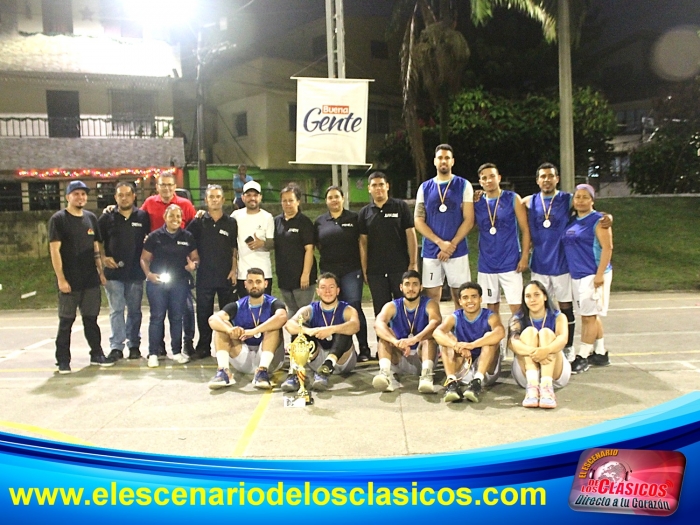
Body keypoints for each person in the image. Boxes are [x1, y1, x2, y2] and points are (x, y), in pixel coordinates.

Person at [524, 163, 612, 361]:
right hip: (539, 264)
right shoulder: (529, 201)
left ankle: (569, 347)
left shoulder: (566, 199)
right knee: (539, 307)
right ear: (537, 180)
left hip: (562, 264)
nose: (546, 179)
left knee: (566, 307)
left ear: (557, 179)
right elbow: (511, 203)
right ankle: (542, 343)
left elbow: (588, 208)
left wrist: (608, 217)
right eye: (542, 176)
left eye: (550, 176)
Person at [49, 180, 115, 373]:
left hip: (90, 279)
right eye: (76, 194)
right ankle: (63, 360)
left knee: (91, 320)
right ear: (68, 196)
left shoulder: (90, 218)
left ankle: (96, 354)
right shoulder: (58, 219)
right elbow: (55, 251)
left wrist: (100, 272)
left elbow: (96, 247)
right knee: (66, 321)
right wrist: (61, 278)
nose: (80, 197)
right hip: (70, 279)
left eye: (83, 194)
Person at [140, 172, 197, 356]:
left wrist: (193, 265)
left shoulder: (186, 207)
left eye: (170, 185)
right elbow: (137, 219)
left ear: (175, 186)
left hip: (180, 276)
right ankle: (156, 350)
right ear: (157, 186)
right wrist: (148, 274)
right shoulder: (149, 204)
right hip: (158, 273)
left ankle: (183, 346)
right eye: (162, 185)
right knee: (157, 316)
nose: (166, 188)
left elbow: (196, 226)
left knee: (181, 314)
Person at [314, 186, 372, 361]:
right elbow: (317, 245)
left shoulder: (354, 218)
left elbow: (362, 244)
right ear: (326, 201)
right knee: (332, 309)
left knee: (354, 307)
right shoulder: (319, 221)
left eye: (337, 197)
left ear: (343, 198)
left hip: (351, 270)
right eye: (330, 197)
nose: (334, 200)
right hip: (329, 271)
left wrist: (364, 268)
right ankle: (337, 347)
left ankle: (364, 348)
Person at [414, 144, 474, 310]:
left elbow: (469, 220)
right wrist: (440, 243)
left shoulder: (463, 185)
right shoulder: (425, 188)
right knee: (432, 296)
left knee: (460, 295)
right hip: (432, 251)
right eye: (440, 157)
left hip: (457, 250)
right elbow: (418, 220)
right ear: (435, 161)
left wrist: (451, 245)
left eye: (447, 158)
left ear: (452, 161)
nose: (443, 161)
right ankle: (433, 334)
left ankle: (460, 333)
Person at [207, 268, 288, 389]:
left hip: (269, 360)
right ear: (245, 284)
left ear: (265, 283)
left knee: (273, 327)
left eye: (258, 282)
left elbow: (282, 317)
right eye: (250, 282)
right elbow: (212, 319)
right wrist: (229, 330)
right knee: (222, 326)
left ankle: (262, 372)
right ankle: (224, 372)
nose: (254, 285)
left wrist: (255, 331)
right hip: (243, 357)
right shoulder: (237, 305)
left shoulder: (274, 303)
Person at [562, 184, 613, 374]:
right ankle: (600, 352)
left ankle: (582, 356)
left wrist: (599, 275)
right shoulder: (572, 220)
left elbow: (607, 248)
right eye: (577, 197)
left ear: (592, 200)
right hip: (577, 274)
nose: (581, 200)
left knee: (588, 317)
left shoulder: (599, 221)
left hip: (593, 273)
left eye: (585, 197)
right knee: (591, 314)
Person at [97, 181, 150, 361]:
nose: (124, 198)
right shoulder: (106, 217)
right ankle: (116, 347)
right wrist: (103, 258)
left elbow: (150, 239)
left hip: (135, 272)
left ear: (134, 196)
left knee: (135, 311)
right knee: (116, 310)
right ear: (115, 197)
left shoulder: (143, 216)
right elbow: (97, 241)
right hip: (113, 274)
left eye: (128, 194)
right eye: (120, 195)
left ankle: (134, 345)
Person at [282, 272, 361, 391]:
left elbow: (355, 326)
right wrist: (309, 331)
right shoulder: (310, 309)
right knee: (300, 331)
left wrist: (331, 329)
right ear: (318, 291)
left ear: (338, 290)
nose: (327, 291)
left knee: (344, 328)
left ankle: (327, 367)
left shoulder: (347, 309)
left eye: (331, 287)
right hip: (317, 360)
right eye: (323, 288)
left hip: (342, 361)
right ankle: (294, 373)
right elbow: (289, 325)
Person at [186, 184, 238, 360]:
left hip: (225, 276)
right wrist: (190, 261)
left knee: (227, 314)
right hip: (205, 276)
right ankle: (203, 347)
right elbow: (186, 240)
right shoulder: (198, 221)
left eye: (218, 197)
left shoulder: (231, 222)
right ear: (206, 200)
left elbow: (234, 249)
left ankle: (228, 346)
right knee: (203, 313)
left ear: (223, 200)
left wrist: (234, 269)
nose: (215, 200)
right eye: (211, 197)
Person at [359, 171, 418, 320]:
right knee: (381, 311)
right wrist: (365, 268)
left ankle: (405, 342)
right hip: (376, 271)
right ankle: (383, 342)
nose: (378, 188)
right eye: (374, 185)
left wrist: (413, 263)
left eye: (381, 185)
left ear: (387, 186)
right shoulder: (364, 213)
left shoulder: (400, 206)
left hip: (400, 268)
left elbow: (411, 234)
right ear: (369, 189)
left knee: (404, 308)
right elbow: (363, 242)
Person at [433, 282, 505, 403]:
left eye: (474, 296)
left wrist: (472, 345)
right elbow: (436, 333)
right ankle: (452, 383)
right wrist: (456, 346)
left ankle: (476, 383)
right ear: (460, 301)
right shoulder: (455, 317)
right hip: (463, 367)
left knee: (490, 338)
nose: (470, 301)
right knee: (448, 338)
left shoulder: (490, 316)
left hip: (486, 371)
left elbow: (500, 332)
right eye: (465, 298)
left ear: (480, 299)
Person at [474, 163, 530, 314]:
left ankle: (515, 338)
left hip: (510, 262)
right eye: (484, 178)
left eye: (492, 176)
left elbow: (525, 229)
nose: (488, 180)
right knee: (490, 308)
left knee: (517, 307)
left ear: (499, 178)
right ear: (480, 182)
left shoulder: (512, 198)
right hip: (487, 264)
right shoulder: (477, 202)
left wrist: (524, 256)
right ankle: (495, 338)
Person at [372, 270, 442, 393]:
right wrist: (395, 341)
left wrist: (415, 339)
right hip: (400, 355)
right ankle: (385, 375)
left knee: (429, 338)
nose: (411, 288)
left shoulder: (430, 304)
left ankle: (426, 376)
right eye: (407, 284)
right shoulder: (392, 305)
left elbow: (435, 322)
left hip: (423, 356)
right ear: (401, 287)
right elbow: (378, 324)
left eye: (415, 284)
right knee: (385, 336)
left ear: (421, 287)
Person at [508, 281, 571, 409]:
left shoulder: (559, 317)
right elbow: (512, 343)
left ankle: (547, 388)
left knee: (546, 333)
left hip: (556, 374)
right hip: (525, 375)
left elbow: (563, 340)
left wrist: (546, 350)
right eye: (528, 296)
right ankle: (532, 388)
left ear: (545, 296)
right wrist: (536, 352)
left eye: (537, 295)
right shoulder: (517, 318)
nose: (532, 299)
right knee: (529, 332)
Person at [274, 184, 317, 313]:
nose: (287, 204)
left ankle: (312, 334)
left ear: (298, 201)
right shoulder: (276, 221)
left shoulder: (304, 222)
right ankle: (295, 335)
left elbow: (310, 249)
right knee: (292, 313)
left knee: (305, 315)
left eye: (291, 200)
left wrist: (305, 274)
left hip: (302, 279)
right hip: (284, 278)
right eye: (284, 200)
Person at [231, 180, 275, 298]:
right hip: (243, 274)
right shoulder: (235, 216)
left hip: (264, 272)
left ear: (260, 197)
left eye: (255, 195)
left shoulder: (267, 217)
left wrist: (262, 243)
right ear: (243, 197)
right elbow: (231, 244)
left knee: (264, 309)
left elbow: (273, 243)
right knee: (245, 308)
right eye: (249, 195)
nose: (252, 198)